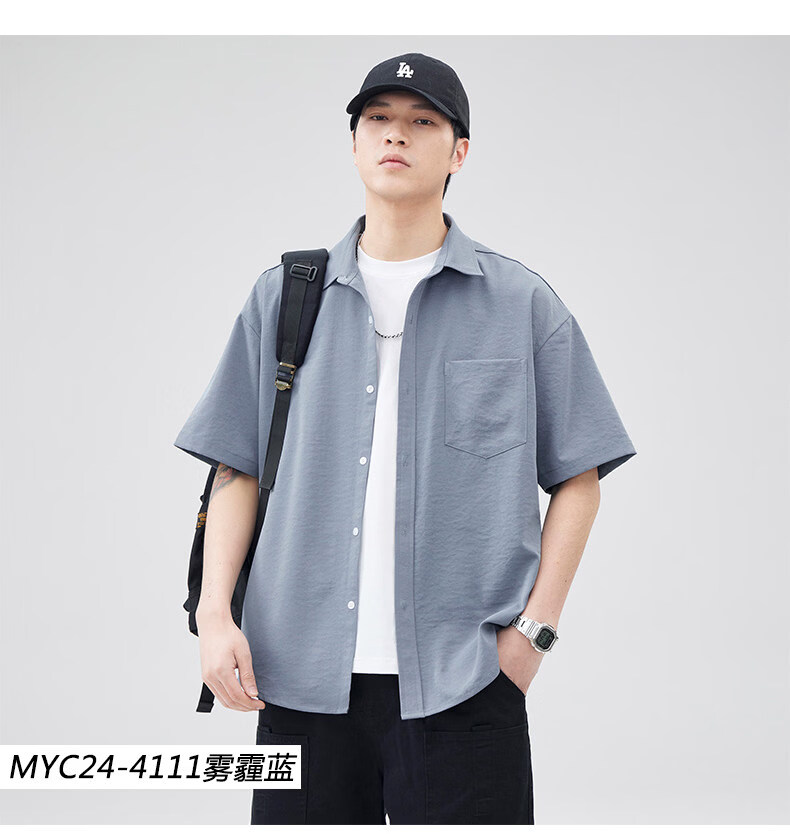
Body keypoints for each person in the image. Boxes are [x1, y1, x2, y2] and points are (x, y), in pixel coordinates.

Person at [173, 51, 637, 825]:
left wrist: (533, 636)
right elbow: (237, 470)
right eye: (379, 119)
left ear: (459, 152)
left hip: (464, 686)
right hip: (300, 684)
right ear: (354, 142)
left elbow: (580, 477)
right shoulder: (286, 298)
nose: (397, 135)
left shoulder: (519, 304)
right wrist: (216, 616)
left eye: (423, 121)